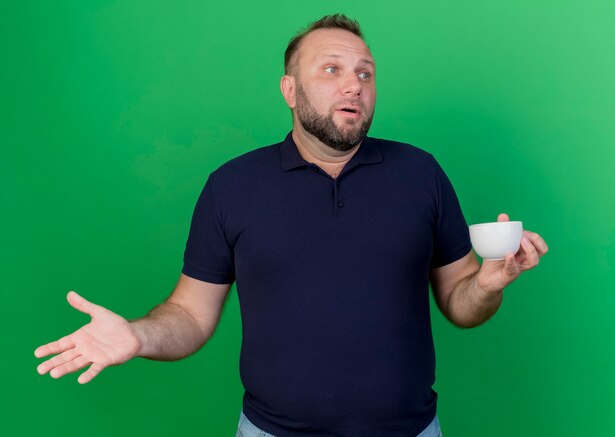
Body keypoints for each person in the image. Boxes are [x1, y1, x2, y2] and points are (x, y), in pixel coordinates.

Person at [34, 14, 548, 437]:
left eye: (365, 73)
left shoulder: (421, 174)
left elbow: (461, 303)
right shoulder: (232, 186)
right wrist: (138, 336)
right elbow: (190, 315)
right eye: (331, 69)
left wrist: (486, 284)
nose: (353, 84)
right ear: (289, 89)